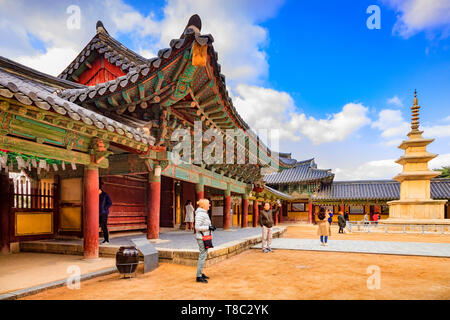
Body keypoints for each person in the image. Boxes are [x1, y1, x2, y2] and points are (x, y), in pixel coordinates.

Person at [194, 198, 216, 283]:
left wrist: (211, 227)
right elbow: (197, 227)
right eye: (208, 204)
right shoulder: (200, 214)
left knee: (203, 256)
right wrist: (208, 227)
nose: (209, 205)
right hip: (201, 238)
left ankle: (200, 273)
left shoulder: (204, 213)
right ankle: (198, 276)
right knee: (202, 256)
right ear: (204, 205)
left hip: (205, 237)